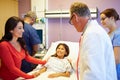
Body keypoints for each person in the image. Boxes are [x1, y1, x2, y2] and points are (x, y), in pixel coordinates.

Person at [69, 2, 117, 80]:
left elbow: (93, 74)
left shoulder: (92, 34)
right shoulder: (92, 31)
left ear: (75, 17)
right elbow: (85, 64)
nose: (72, 24)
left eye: (71, 20)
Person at [100, 8, 120, 80]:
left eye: (103, 19)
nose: (101, 21)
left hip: (114, 70)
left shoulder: (118, 34)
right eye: (101, 19)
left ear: (112, 18)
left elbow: (117, 59)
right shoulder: (108, 34)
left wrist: (104, 69)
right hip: (107, 68)